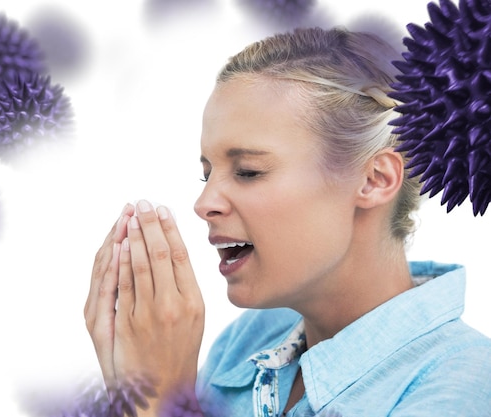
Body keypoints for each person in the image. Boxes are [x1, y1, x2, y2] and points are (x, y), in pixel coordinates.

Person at [84, 27, 491, 417]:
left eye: (248, 171)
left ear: (374, 180)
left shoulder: (463, 386)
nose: (203, 202)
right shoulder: (247, 341)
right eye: (207, 173)